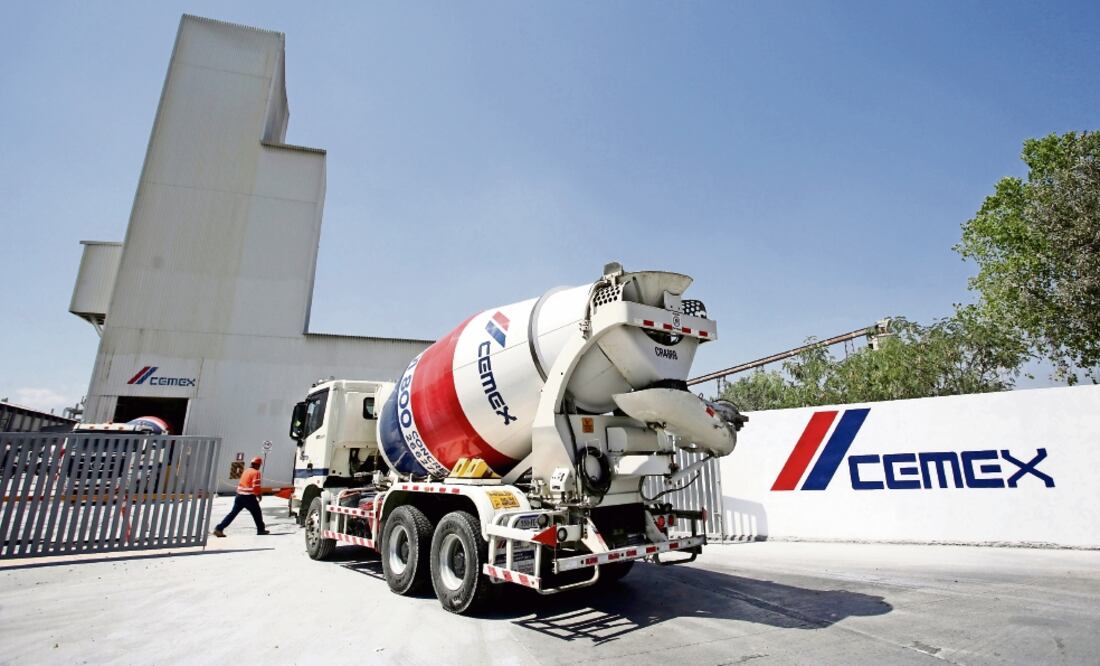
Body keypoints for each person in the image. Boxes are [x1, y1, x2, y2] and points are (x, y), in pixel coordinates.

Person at [213, 456, 270, 536]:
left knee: (232, 514)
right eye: (259, 465)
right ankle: (261, 530)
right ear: (258, 465)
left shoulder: (246, 471)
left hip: (239, 496)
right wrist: (259, 495)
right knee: (257, 513)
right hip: (249, 497)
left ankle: (219, 528)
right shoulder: (256, 473)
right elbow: (256, 486)